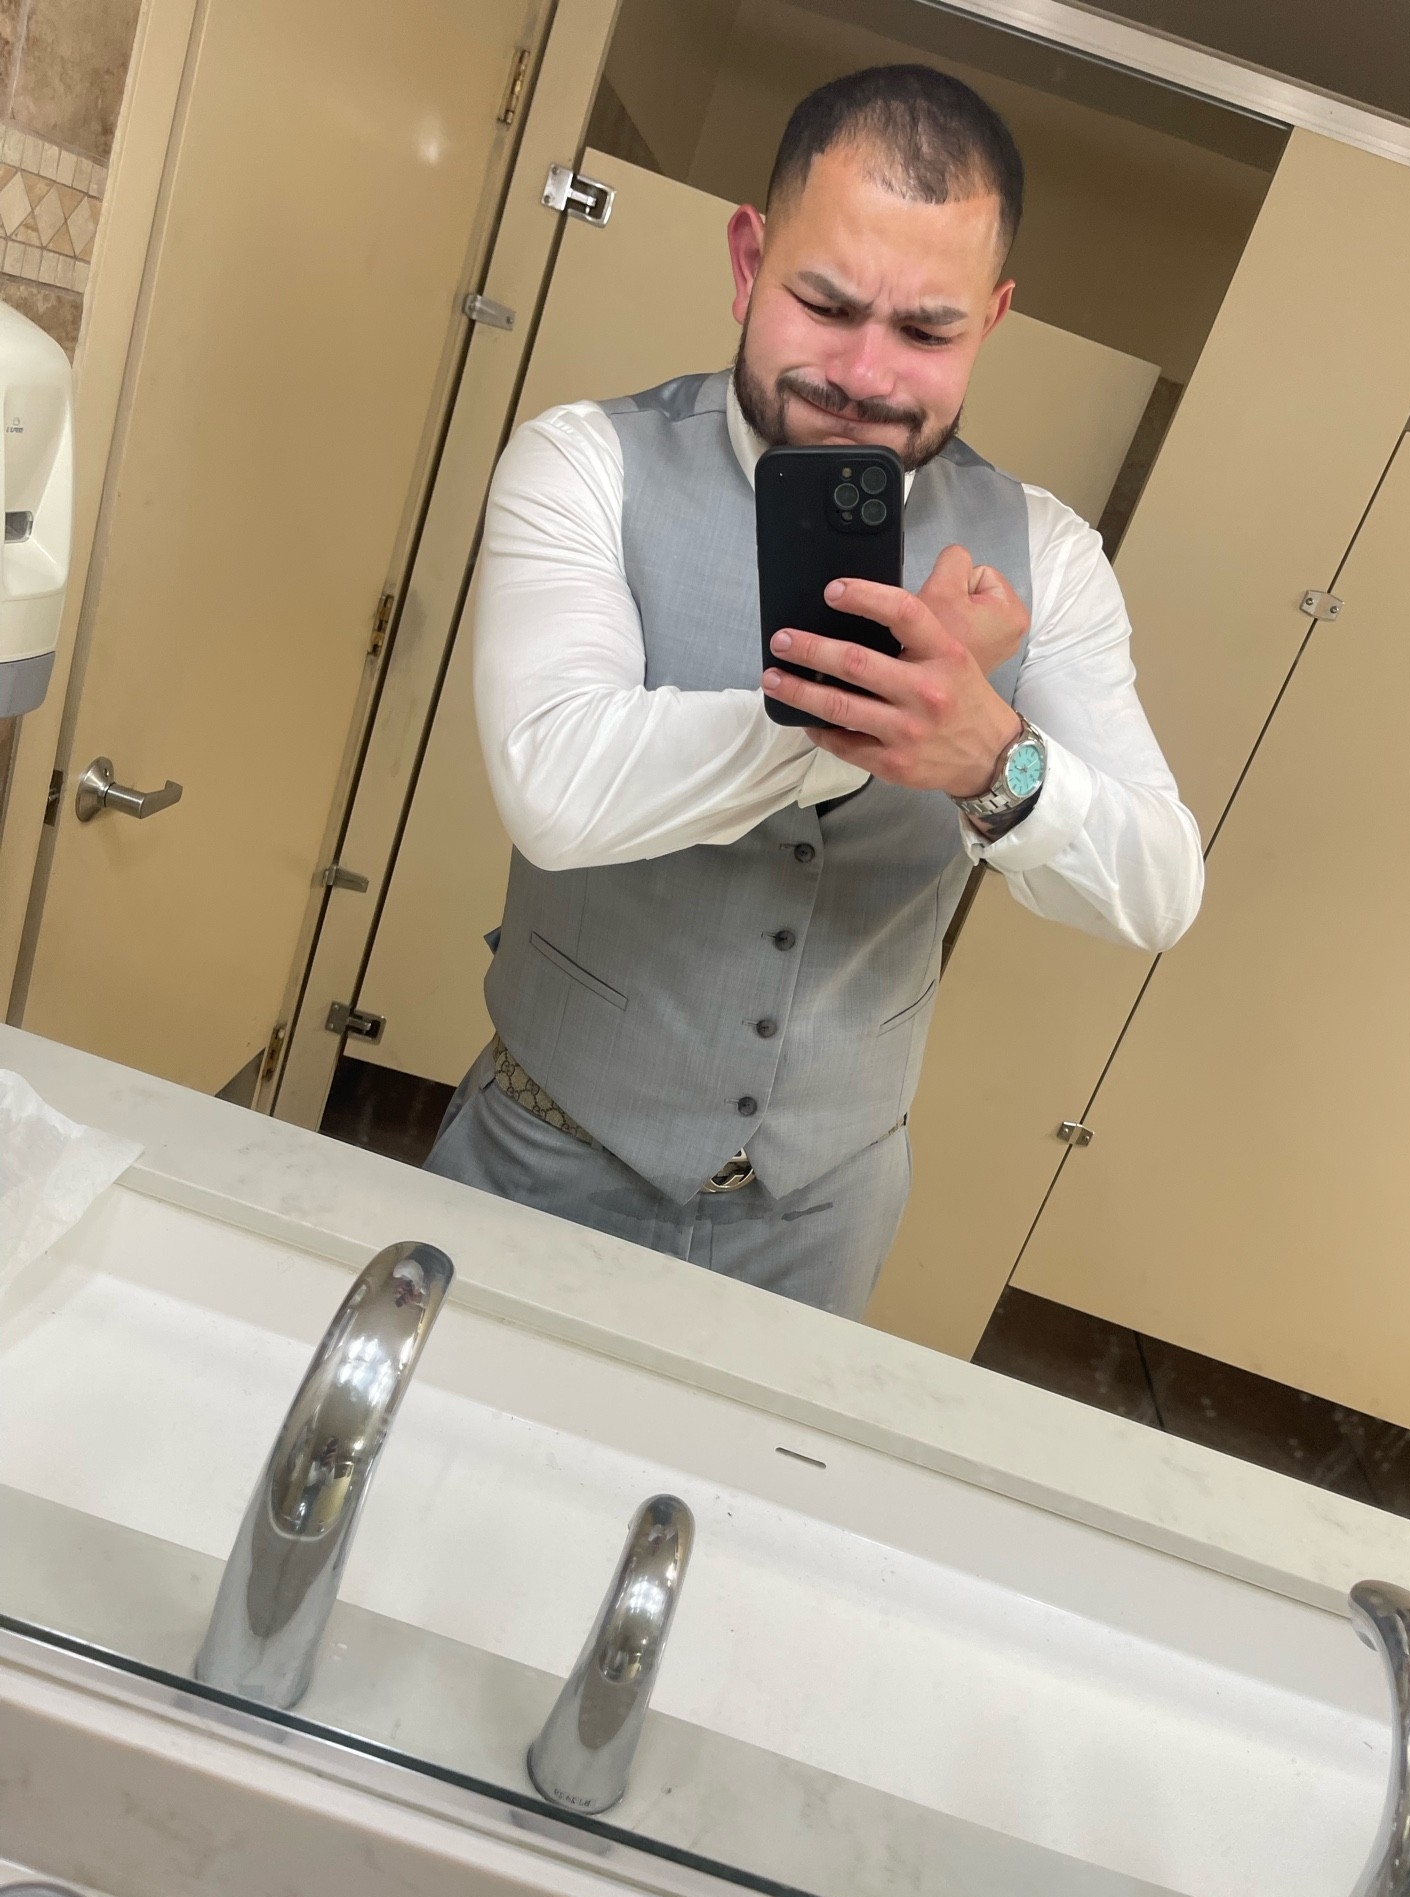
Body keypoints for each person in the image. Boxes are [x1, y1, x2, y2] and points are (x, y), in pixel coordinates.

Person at [426, 63, 1203, 1316]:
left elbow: (1160, 892)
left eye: (928, 332)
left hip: (821, 1220)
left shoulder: (1048, 555)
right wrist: (867, 725)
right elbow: (556, 792)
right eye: (825, 305)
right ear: (749, 263)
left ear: (990, 323)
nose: (866, 373)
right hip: (540, 1156)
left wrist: (991, 758)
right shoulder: (581, 465)